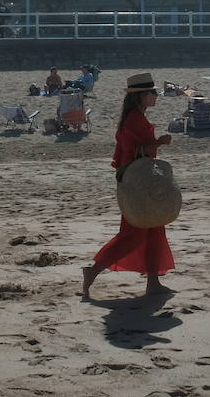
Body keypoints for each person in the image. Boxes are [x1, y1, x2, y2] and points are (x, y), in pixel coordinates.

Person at [81, 72, 173, 299]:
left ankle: (153, 281)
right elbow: (134, 152)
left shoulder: (135, 116)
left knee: (154, 229)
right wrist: (158, 142)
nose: (156, 96)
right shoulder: (134, 119)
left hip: (141, 183)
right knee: (133, 235)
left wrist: (154, 144)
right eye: (152, 93)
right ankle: (93, 271)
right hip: (137, 186)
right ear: (141, 95)